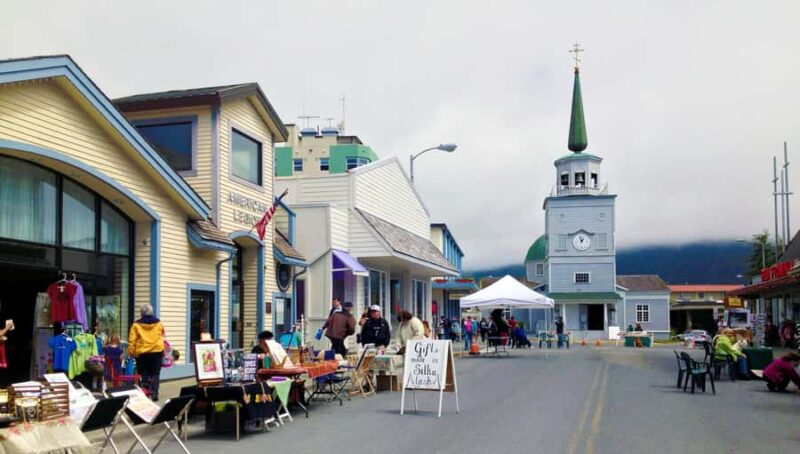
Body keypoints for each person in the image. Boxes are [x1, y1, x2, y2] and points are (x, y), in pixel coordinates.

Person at [127, 304, 165, 401]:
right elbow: (162, 334)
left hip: (142, 352)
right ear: (151, 312)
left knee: (143, 373)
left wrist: (130, 352)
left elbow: (132, 340)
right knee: (155, 373)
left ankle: (145, 392)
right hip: (157, 351)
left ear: (141, 313)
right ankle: (155, 393)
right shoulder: (159, 323)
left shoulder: (136, 325)